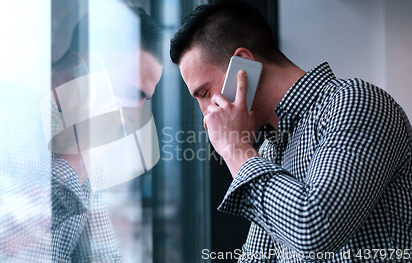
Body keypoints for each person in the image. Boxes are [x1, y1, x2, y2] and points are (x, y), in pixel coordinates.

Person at [170, 0, 412, 262]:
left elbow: (314, 232)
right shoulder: (269, 150)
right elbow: (256, 257)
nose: (205, 115)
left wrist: (235, 149)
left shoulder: (357, 102)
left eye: (204, 94)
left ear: (242, 68)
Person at [50, 5, 163, 263]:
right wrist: (81, 158)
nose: (136, 113)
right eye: (133, 93)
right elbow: (35, 251)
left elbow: (102, 254)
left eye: (145, 99)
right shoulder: (14, 124)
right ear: (87, 71)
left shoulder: (86, 141)